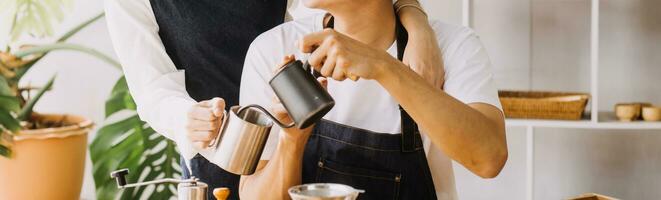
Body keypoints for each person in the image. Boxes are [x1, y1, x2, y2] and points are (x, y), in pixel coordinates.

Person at [104, 0, 443, 199]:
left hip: (294, 135)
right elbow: (150, 83)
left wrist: (416, 22)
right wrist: (186, 117)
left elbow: (343, 6)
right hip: (217, 151)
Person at [238, 0, 509, 199]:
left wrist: (384, 67)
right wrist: (291, 142)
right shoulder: (275, 49)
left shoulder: (452, 46)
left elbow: (489, 159)